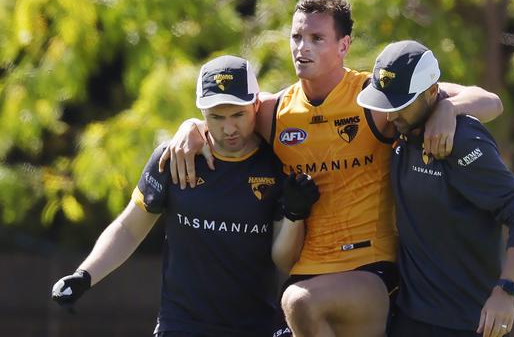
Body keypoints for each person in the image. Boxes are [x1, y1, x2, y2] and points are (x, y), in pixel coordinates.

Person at [161, 0, 504, 337]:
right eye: (296, 37)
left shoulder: (376, 97)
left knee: (299, 302)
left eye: (316, 38)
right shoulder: (274, 111)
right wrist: (191, 126)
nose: (302, 48)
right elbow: (227, 118)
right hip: (307, 273)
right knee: (298, 300)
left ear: (344, 45)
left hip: (371, 273)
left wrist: (448, 109)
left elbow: (490, 101)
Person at [51, 55, 319, 337]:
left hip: (256, 327)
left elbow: (283, 260)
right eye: (216, 117)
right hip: (181, 327)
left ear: (255, 105)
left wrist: (294, 214)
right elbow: (129, 228)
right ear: (202, 112)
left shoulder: (278, 163)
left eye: (238, 115)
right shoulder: (173, 158)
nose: (229, 129)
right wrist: (84, 275)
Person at [356, 40, 514, 337]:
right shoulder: (403, 123)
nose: (390, 116)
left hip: (466, 323)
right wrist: (447, 106)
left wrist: (505, 292)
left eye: (399, 105)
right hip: (408, 317)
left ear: (431, 93)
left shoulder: (462, 140)